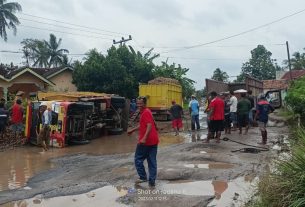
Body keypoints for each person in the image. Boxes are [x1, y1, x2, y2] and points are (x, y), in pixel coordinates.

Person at [127, 96, 159, 187]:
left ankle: (143, 177)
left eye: (141, 103)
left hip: (146, 142)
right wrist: (132, 129)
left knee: (138, 159)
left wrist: (144, 138)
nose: (139, 105)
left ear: (145, 103)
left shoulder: (145, 112)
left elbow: (149, 125)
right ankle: (151, 181)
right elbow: (143, 125)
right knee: (152, 161)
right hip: (154, 141)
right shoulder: (146, 112)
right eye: (138, 103)